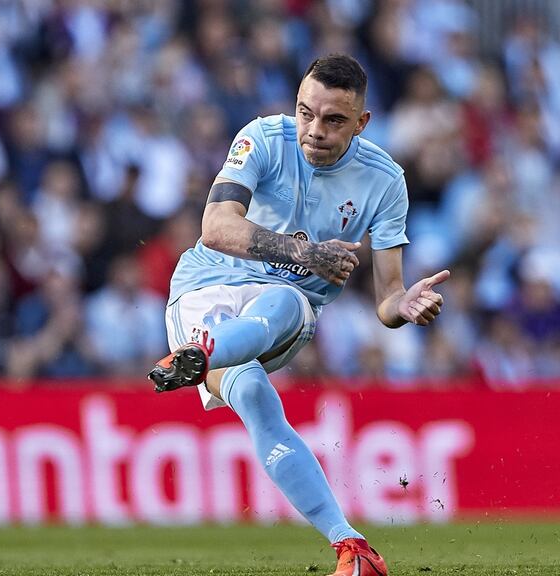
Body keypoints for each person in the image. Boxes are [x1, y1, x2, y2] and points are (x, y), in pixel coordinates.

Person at [149, 54, 449, 576]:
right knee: (255, 398)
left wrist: (401, 306)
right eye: (305, 112)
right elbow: (216, 227)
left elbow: (388, 298)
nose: (314, 130)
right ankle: (353, 546)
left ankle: (202, 352)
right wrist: (305, 253)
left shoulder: (385, 181)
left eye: (334, 120)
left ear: (362, 122)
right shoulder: (263, 138)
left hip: (281, 310)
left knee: (287, 301)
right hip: (204, 287)